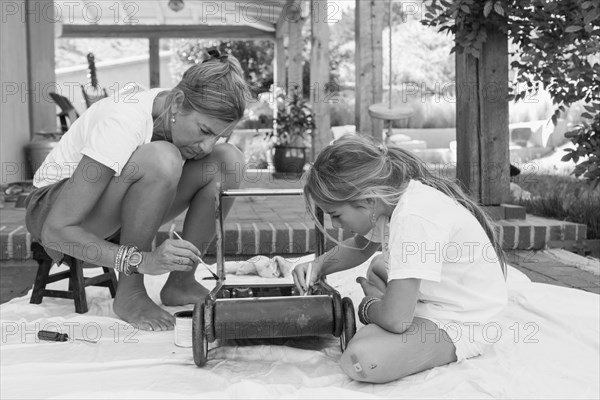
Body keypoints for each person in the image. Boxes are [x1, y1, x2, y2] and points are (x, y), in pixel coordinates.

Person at [25, 50, 251, 332]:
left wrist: (214, 143)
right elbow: (55, 232)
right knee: (162, 158)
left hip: (110, 210)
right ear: (178, 102)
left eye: (218, 135)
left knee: (229, 161)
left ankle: (180, 282)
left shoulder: (172, 109)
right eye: (204, 130)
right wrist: (142, 261)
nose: (207, 145)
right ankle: (130, 293)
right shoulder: (124, 120)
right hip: (54, 213)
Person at [293, 135, 508, 383]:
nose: (334, 224)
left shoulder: (413, 218)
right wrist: (318, 265)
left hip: (464, 319)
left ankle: (390, 307)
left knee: (361, 360)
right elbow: (361, 247)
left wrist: (368, 307)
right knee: (377, 267)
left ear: (367, 200)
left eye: (336, 214)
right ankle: (393, 306)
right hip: (433, 298)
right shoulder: (389, 203)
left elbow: (396, 321)